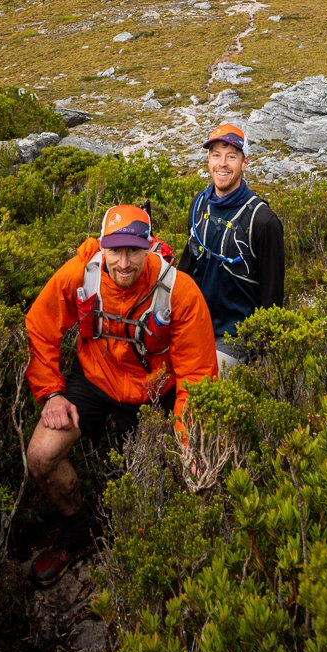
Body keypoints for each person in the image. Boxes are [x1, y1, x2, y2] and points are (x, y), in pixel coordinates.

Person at [24, 202, 217, 585]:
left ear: (148, 246)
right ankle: (78, 529)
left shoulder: (180, 291)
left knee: (179, 476)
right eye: (115, 250)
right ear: (101, 247)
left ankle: (160, 551)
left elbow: (196, 376)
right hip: (94, 380)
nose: (124, 263)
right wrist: (50, 394)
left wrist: (188, 438)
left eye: (133, 250)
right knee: (40, 457)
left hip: (153, 393)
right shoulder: (81, 274)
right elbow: (41, 326)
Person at [178, 122, 285, 371]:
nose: (222, 163)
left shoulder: (263, 221)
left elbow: (273, 297)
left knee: (200, 384)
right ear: (208, 159)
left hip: (235, 339)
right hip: (194, 326)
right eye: (216, 155)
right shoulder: (199, 205)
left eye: (231, 156)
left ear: (244, 162)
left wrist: (265, 356)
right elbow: (186, 268)